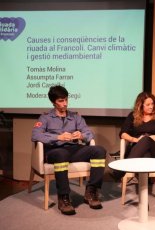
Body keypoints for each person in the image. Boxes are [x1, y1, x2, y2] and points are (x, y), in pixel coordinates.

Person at [32, 85, 107, 215]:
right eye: (61, 101)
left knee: (99, 150)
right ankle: (64, 197)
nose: (65, 103)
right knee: (61, 154)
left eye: (66, 99)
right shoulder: (45, 117)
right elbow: (35, 135)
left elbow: (88, 132)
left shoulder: (75, 116)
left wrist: (82, 135)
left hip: (73, 150)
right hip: (54, 151)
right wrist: (58, 137)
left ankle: (91, 191)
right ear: (53, 102)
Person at [111, 92, 155, 179]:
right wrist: (134, 139)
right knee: (144, 148)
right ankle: (136, 176)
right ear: (140, 105)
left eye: (152, 104)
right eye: (148, 104)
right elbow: (122, 133)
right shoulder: (132, 116)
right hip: (137, 150)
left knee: (146, 139)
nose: (151, 106)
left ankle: (121, 170)